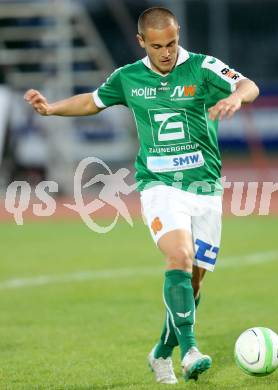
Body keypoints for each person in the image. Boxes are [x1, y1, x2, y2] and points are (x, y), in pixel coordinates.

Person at [24, 6, 259, 384]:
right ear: (141, 43)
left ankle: (161, 352)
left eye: (172, 43)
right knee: (178, 256)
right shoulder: (128, 78)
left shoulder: (201, 67)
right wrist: (51, 109)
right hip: (159, 185)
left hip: (205, 187)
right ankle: (190, 350)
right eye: (157, 46)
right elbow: (92, 100)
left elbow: (248, 84)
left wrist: (237, 98)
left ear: (178, 34)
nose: (166, 52)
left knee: (194, 283)